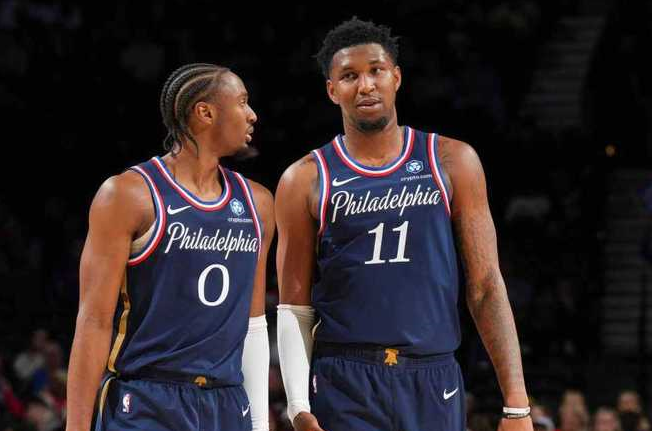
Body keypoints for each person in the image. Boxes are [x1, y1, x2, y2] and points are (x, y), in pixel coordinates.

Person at [275, 18, 532, 431]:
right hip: (345, 377)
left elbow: (486, 285)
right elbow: (294, 306)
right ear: (331, 90)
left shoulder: (452, 160)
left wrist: (517, 404)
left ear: (396, 77)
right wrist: (297, 405)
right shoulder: (304, 179)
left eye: (376, 70)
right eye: (349, 76)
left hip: (432, 373)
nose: (365, 85)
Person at [65, 63, 274, 431]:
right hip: (148, 401)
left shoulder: (257, 202)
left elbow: (254, 325)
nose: (252, 115)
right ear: (205, 112)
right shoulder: (129, 194)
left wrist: (258, 423)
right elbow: (94, 321)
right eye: (242, 102)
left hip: (226, 404)